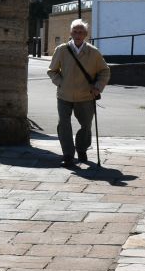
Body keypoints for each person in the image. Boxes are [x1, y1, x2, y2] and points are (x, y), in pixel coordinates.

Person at [47, 19, 110, 168]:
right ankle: (68, 154)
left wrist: (98, 87)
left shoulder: (93, 52)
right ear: (70, 33)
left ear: (86, 34)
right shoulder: (61, 50)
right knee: (63, 124)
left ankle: (81, 149)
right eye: (75, 31)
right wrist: (61, 83)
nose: (78, 34)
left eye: (81, 32)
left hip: (86, 96)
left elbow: (105, 71)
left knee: (86, 125)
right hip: (64, 95)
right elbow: (52, 71)